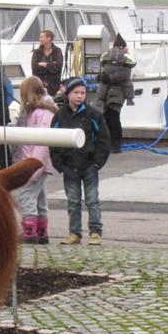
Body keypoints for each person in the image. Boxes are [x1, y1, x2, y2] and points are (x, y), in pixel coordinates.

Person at [50, 77, 109, 245]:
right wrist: (59, 163)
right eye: (76, 92)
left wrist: (97, 162)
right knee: (73, 201)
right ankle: (74, 233)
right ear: (68, 94)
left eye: (82, 93)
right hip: (69, 165)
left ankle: (95, 232)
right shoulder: (60, 116)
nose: (80, 96)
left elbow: (103, 140)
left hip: (89, 164)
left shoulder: (93, 115)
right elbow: (53, 140)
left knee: (92, 200)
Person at [14, 76, 56, 243]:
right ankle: (41, 231)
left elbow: (41, 144)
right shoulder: (44, 111)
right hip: (39, 161)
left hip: (36, 162)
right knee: (39, 197)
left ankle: (29, 232)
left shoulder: (41, 113)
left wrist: (33, 168)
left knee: (26, 195)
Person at [95, 33, 135, 153]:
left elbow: (114, 76)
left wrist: (106, 78)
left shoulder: (108, 59)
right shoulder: (125, 61)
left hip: (112, 94)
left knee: (112, 117)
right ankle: (113, 143)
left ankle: (115, 144)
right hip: (115, 94)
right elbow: (124, 76)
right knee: (111, 117)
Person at [30, 29, 63, 97]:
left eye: (42, 37)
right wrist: (51, 66)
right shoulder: (36, 52)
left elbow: (58, 68)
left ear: (49, 38)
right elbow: (35, 68)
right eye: (40, 37)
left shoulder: (57, 51)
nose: (40, 39)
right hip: (39, 87)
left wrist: (45, 65)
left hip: (54, 88)